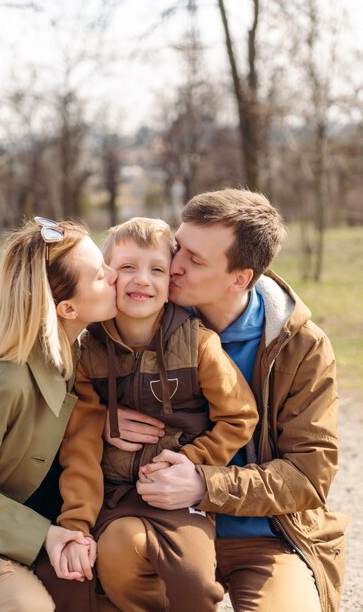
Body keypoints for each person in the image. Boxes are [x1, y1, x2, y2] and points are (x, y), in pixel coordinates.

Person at [99, 190, 350, 612]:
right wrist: (100, 422)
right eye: (179, 247)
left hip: (269, 538)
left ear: (241, 277)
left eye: (195, 261)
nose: (173, 266)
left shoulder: (301, 346)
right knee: (118, 555)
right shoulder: (145, 316)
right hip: (164, 526)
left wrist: (204, 484)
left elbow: (309, 475)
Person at [51, 217, 258, 612]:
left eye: (157, 269)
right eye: (128, 267)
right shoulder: (86, 353)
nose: (142, 280)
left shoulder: (197, 343)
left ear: (170, 286)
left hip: (181, 497)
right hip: (114, 496)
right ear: (108, 276)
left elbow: (240, 415)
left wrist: (191, 463)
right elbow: (79, 444)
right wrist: (76, 522)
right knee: (117, 558)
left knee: (194, 580)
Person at [0, 216, 119, 612]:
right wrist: (45, 535)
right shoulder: (1, 384)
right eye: (98, 275)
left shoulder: (75, 357)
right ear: (67, 307)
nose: (113, 276)